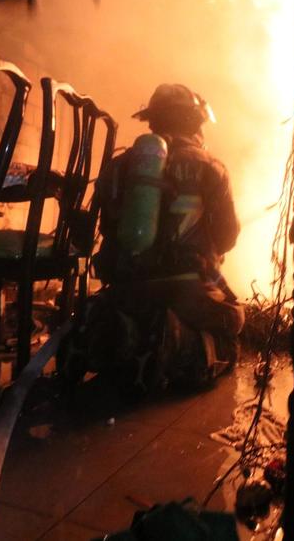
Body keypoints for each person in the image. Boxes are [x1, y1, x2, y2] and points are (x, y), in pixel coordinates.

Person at [60, 83, 244, 394]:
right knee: (233, 325)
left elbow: (104, 231)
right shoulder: (212, 167)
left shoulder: (118, 166)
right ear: (194, 122)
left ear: (152, 122)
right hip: (187, 292)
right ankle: (172, 342)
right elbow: (227, 238)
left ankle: (117, 335)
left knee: (122, 316)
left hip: (126, 288)